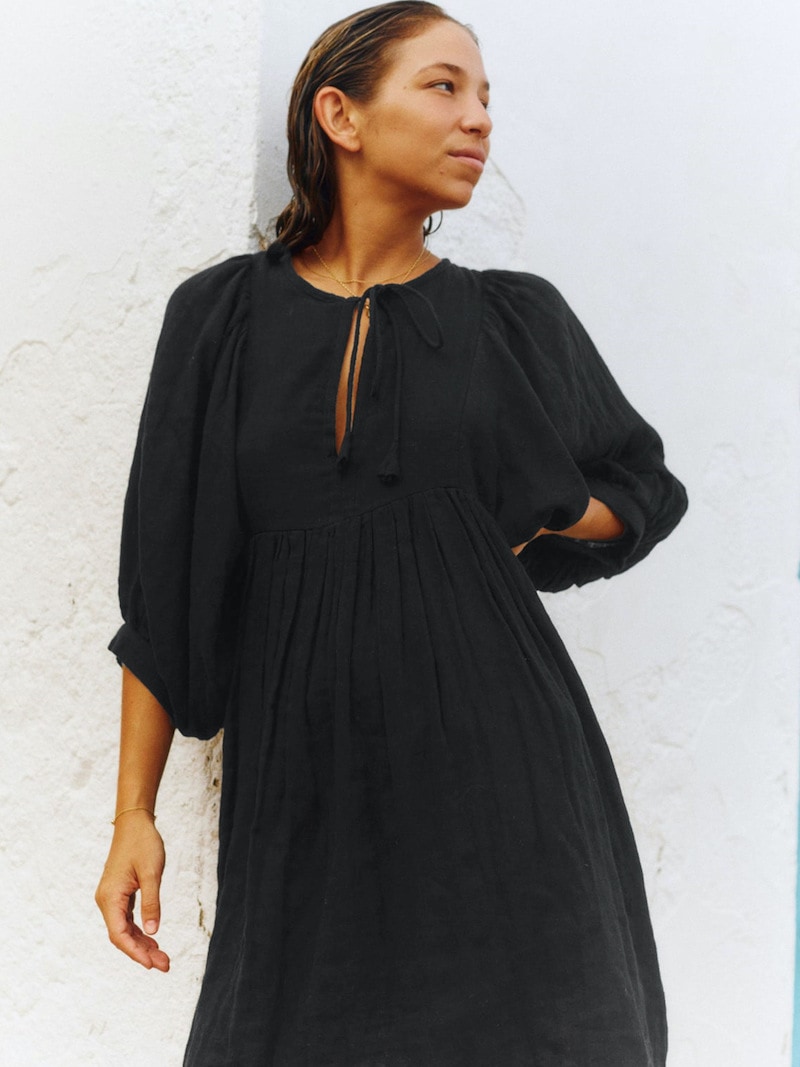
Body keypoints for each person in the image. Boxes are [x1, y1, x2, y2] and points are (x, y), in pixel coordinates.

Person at [95, 3, 688, 1064]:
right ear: (342, 115)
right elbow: (166, 584)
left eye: (487, 97)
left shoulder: (513, 321)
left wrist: (555, 503)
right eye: (444, 86)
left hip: (505, 758)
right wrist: (131, 813)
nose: (479, 119)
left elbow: (639, 490)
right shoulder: (220, 320)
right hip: (302, 779)